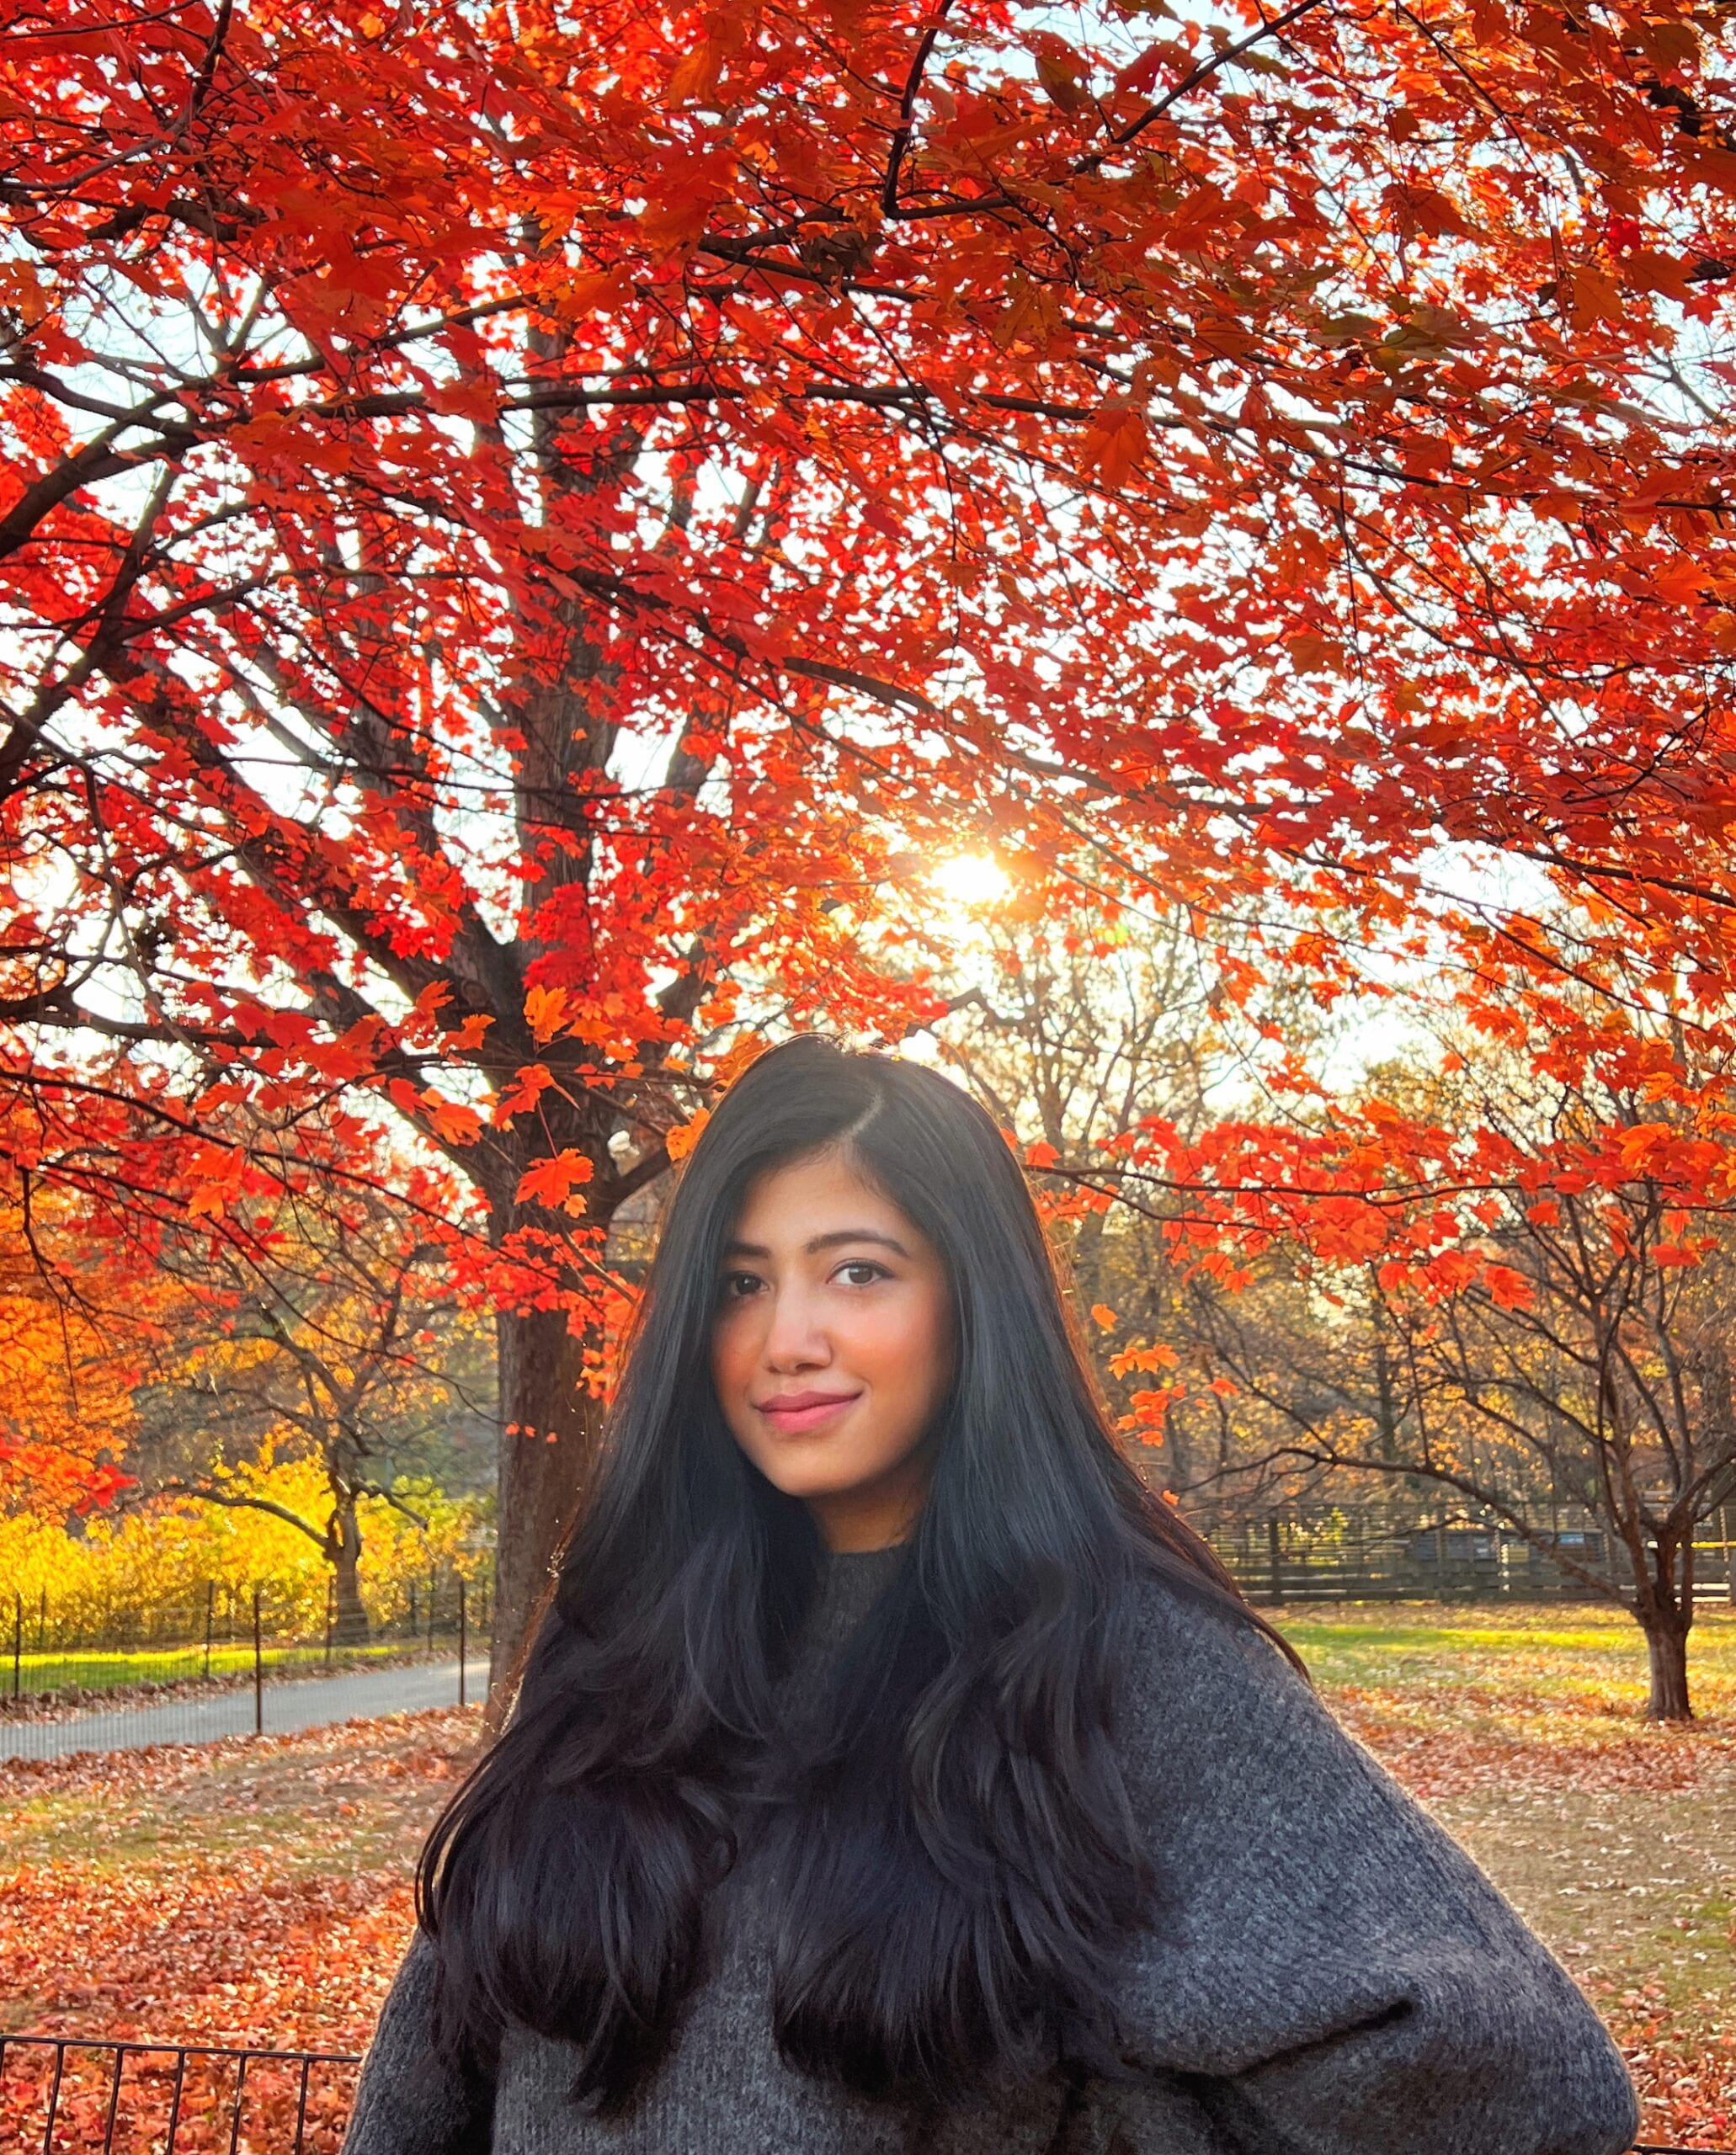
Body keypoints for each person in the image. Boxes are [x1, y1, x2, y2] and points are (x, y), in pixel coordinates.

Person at [341, 1036, 1641, 2154]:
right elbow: (433, 2079)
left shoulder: (1114, 1655)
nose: (787, 1335)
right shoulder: (621, 1640)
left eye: (857, 1271)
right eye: (741, 1283)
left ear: (975, 1305)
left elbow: (1509, 2088)